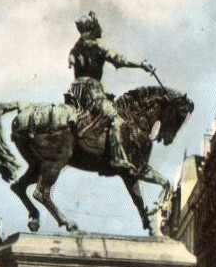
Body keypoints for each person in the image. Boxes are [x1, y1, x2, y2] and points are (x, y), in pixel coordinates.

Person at [66, 11, 154, 173]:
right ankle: (118, 158)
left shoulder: (76, 47)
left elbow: (71, 61)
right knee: (116, 119)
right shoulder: (96, 46)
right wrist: (141, 64)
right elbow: (119, 60)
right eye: (97, 26)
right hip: (92, 90)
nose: (100, 30)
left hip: (76, 90)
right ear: (91, 29)